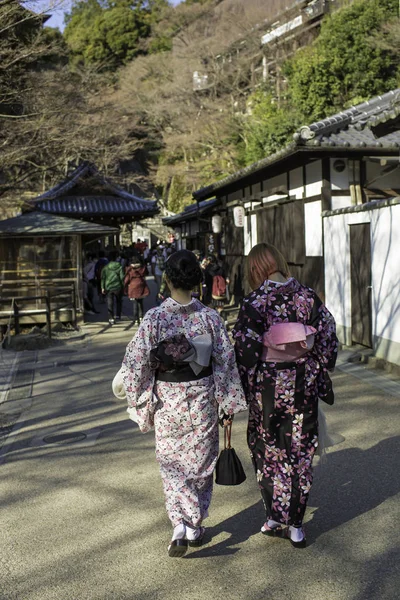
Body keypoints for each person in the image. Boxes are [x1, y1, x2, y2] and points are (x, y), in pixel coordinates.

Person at [119, 250, 247, 557]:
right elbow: (226, 362)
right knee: (201, 465)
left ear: (167, 278)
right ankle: (193, 524)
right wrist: (228, 403)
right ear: (196, 281)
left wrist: (138, 397)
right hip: (202, 397)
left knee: (172, 464)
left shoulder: (155, 318)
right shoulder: (210, 318)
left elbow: (136, 363)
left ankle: (180, 525)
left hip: (168, 400)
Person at [233, 242, 338, 548]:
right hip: (302, 383)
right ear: (279, 262)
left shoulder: (254, 301)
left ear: (255, 269)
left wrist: (242, 383)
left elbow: (244, 350)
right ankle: (296, 524)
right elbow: (327, 336)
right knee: (301, 451)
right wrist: (313, 358)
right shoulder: (307, 296)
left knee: (269, 451)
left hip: (267, 388)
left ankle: (274, 516)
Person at [101, 251, 125, 325]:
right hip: (118, 286)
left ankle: (111, 318)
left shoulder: (105, 267)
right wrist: (123, 286)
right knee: (119, 301)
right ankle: (118, 315)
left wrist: (102, 287)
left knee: (110, 303)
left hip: (109, 287)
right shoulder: (119, 266)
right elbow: (122, 277)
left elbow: (103, 278)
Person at [124, 256, 149, 325]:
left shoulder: (130, 269)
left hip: (132, 286)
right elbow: (146, 273)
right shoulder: (142, 268)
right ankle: (141, 317)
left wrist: (125, 287)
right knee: (141, 303)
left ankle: (136, 319)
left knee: (135, 304)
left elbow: (126, 279)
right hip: (141, 284)